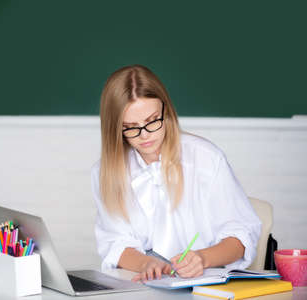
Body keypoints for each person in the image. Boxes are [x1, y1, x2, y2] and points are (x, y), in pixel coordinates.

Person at [91, 64, 262, 282]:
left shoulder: (205, 158)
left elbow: (241, 237)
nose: (144, 135)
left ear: (167, 111)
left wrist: (202, 258)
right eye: (131, 127)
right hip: (144, 287)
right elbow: (115, 242)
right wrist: (148, 263)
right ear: (115, 129)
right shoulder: (105, 173)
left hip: (206, 285)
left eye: (153, 120)